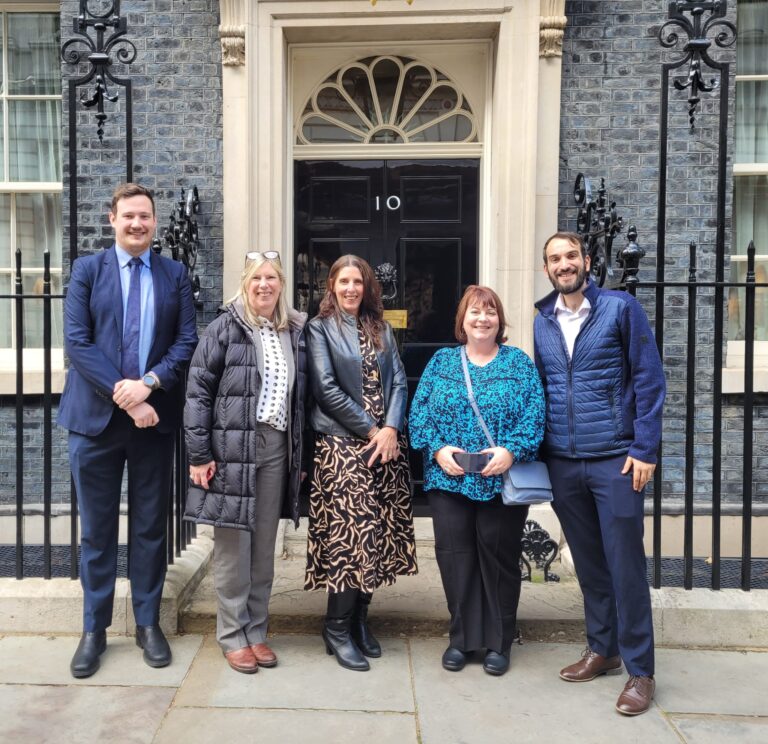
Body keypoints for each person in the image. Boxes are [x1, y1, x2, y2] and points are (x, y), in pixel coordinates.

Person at [59, 183, 198, 678]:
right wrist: (128, 396)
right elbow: (78, 343)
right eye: (129, 216)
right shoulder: (86, 271)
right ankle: (93, 630)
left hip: (152, 423)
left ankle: (147, 624)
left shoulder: (174, 274)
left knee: (149, 528)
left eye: (145, 216)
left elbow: (185, 341)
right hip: (94, 424)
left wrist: (149, 385)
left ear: (155, 222)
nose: (137, 224)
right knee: (96, 532)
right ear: (112, 219)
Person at [533, 232, 665, 716]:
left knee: (625, 566)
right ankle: (603, 649)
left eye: (571, 256)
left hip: (616, 459)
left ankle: (641, 671)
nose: (563, 264)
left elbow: (649, 379)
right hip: (563, 462)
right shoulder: (542, 320)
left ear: (586, 261)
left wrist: (645, 447)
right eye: (555, 258)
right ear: (546, 268)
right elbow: (544, 386)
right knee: (589, 565)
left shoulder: (620, 308)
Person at [409, 285, 545, 677]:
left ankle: (499, 641)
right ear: (462, 320)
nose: (482, 319)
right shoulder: (441, 362)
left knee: (499, 557)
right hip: (448, 479)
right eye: (474, 312)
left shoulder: (518, 363)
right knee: (456, 558)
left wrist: (511, 451)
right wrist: (438, 449)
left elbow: (536, 413)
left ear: (499, 320)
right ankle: (462, 639)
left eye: (490, 312)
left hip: (500, 480)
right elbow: (419, 413)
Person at [184, 251, 308, 674]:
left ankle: (256, 630)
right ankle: (232, 634)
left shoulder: (294, 330)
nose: (264, 285)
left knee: (263, 547)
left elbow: (303, 397)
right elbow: (198, 392)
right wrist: (199, 454)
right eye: (257, 278)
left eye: (271, 278)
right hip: (232, 448)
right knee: (233, 548)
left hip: (277, 449)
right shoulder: (225, 328)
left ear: (281, 284)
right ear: (245, 283)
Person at [304, 254, 417, 672]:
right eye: (344, 281)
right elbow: (325, 388)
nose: (351, 288)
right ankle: (336, 628)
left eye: (358, 282)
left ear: (367, 287)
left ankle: (359, 622)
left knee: (378, 537)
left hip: (385, 447)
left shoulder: (381, 327)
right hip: (343, 446)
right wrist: (373, 430)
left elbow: (399, 381)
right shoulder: (319, 329)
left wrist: (391, 428)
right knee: (350, 539)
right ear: (331, 285)